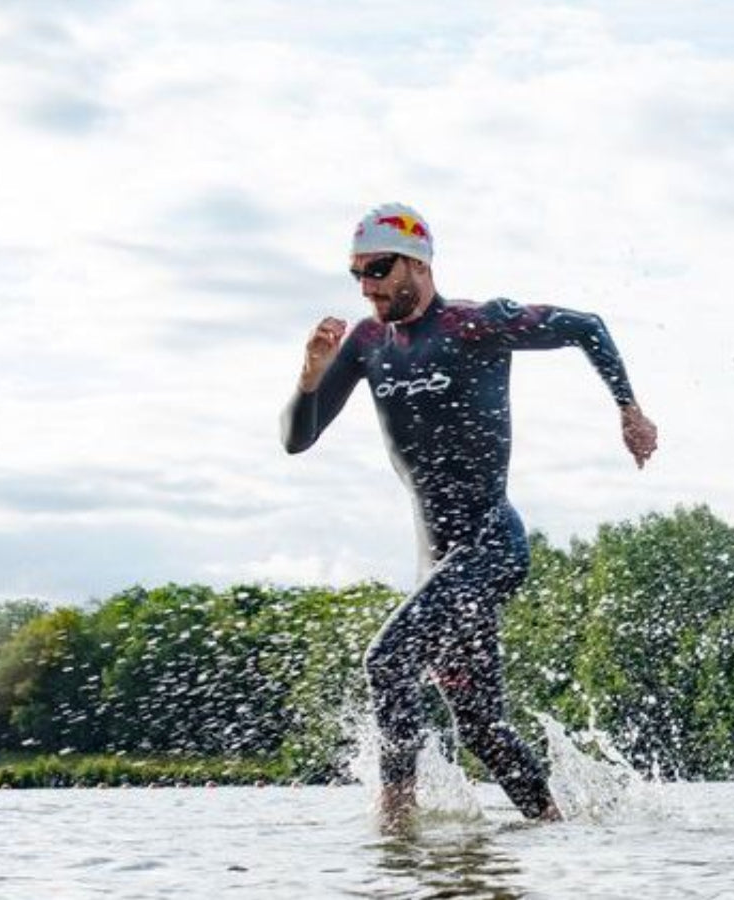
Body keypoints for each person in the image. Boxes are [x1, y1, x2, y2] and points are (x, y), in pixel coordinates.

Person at [282, 203, 658, 829]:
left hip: (491, 544)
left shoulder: (476, 325)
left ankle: (394, 829)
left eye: (378, 269)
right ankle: (554, 825)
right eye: (356, 275)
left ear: (418, 264)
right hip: (439, 565)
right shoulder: (366, 344)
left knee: (386, 660)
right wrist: (309, 376)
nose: (367, 286)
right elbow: (299, 438)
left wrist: (630, 411)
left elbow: (587, 326)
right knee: (481, 726)